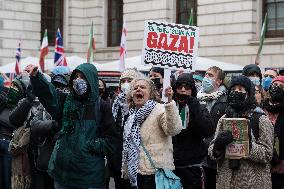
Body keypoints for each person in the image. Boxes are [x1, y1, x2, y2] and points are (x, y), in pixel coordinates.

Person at [25, 63, 118, 189]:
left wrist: (90, 145)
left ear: (91, 79)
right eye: (75, 77)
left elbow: (112, 141)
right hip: (62, 175)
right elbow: (49, 95)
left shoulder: (101, 106)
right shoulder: (66, 101)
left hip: (88, 178)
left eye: (82, 77)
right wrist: (37, 77)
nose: (78, 81)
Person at [208, 75, 274, 189]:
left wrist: (247, 145)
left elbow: (267, 154)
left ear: (248, 94)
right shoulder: (224, 119)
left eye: (240, 89)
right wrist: (217, 146)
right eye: (233, 89)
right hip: (226, 183)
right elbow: (212, 152)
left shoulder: (260, 119)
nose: (236, 92)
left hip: (252, 183)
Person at [121, 77, 182, 188]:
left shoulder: (160, 109)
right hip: (136, 173)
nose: (138, 89)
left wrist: (169, 103)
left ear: (151, 93)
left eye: (143, 87)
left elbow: (174, 130)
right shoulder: (131, 116)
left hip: (156, 174)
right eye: (135, 88)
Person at [172, 73, 214, 189]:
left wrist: (194, 107)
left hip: (193, 165)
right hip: (172, 165)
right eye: (180, 87)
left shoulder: (199, 107)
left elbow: (208, 131)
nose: (183, 90)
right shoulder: (170, 106)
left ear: (192, 90)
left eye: (187, 87)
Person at [108, 68, 141, 189]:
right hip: (118, 155)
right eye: (123, 80)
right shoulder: (115, 102)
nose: (126, 83)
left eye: (130, 80)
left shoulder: (140, 103)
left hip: (135, 156)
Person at [197, 66, 227, 189]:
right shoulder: (198, 98)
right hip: (200, 153)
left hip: (217, 155)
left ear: (219, 81)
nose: (206, 78)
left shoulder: (226, 99)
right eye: (205, 75)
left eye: (210, 75)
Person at [0, 75, 29, 189]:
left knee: (9, 180)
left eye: (16, 87)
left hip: (12, 147)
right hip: (3, 142)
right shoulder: (4, 101)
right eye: (12, 85)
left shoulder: (23, 106)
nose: (12, 89)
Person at [262, 76, 284, 189]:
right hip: (263, 164)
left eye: (281, 86)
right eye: (275, 85)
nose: (277, 88)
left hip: (281, 166)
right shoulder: (262, 109)